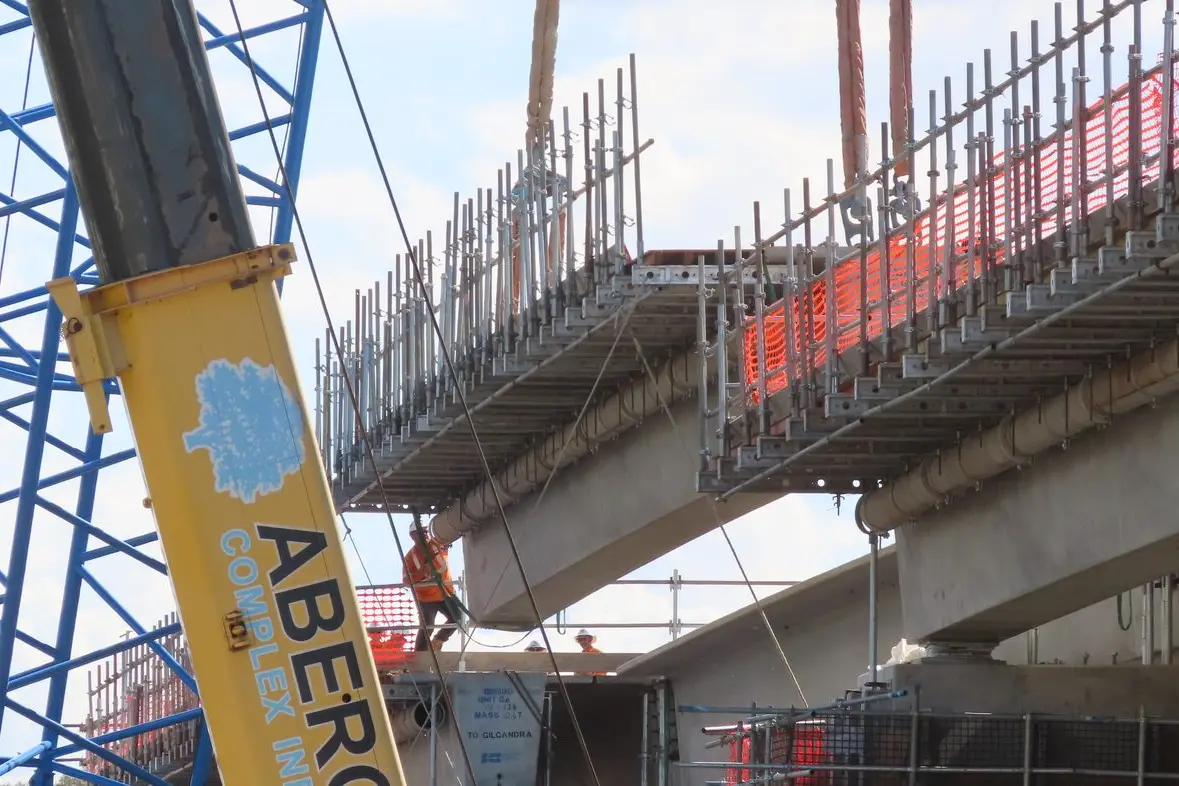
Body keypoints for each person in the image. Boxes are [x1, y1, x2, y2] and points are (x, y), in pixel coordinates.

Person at [403, 526, 459, 652]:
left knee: (458, 617)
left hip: (445, 592)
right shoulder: (410, 557)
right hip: (426, 598)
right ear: (413, 536)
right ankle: (420, 654)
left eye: (426, 531)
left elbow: (447, 535)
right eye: (421, 532)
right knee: (427, 626)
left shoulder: (437, 544)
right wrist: (422, 572)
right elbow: (406, 580)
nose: (425, 533)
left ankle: (438, 640)